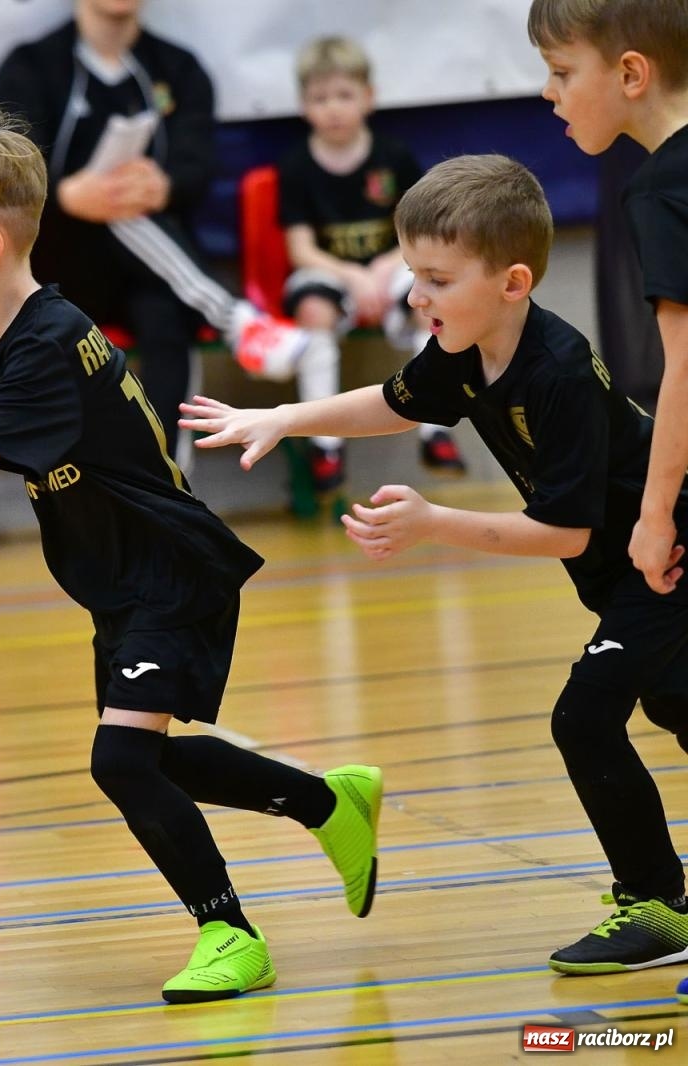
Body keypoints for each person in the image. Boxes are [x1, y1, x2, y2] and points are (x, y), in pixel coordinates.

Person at [0, 108, 382, 1003]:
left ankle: (230, 933)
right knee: (144, 760)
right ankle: (326, 803)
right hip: (126, 576)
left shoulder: (41, 340)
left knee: (119, 763)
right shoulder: (19, 327)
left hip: (166, 571)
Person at [181, 154, 688, 977]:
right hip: (625, 571)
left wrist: (430, 523)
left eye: (437, 279)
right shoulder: (465, 345)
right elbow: (395, 401)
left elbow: (562, 532)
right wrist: (283, 416)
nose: (417, 297)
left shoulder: (556, 369)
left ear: (513, 281)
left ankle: (659, 903)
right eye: (414, 273)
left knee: (584, 717)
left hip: (666, 561)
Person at [0, 0, 309, 442]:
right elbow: (9, 171)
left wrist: (163, 185)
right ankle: (235, 320)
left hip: (154, 274)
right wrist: (66, 194)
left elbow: (197, 166)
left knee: (167, 315)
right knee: (116, 211)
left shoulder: (177, 68)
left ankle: (168, 490)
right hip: (59, 266)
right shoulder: (30, 65)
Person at [529, 0, 688, 601]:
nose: (548, 91)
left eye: (562, 71)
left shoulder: (661, 194)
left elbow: (687, 366)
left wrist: (655, 516)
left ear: (630, 74)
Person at [276, 35, 465, 492]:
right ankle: (324, 446)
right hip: (329, 272)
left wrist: (382, 269)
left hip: (392, 265)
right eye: (320, 98)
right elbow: (300, 249)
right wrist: (353, 277)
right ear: (304, 106)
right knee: (313, 312)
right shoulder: (297, 166)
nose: (334, 108)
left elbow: (419, 233)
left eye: (344, 95)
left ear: (368, 97)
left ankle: (435, 430)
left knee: (434, 303)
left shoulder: (393, 157)